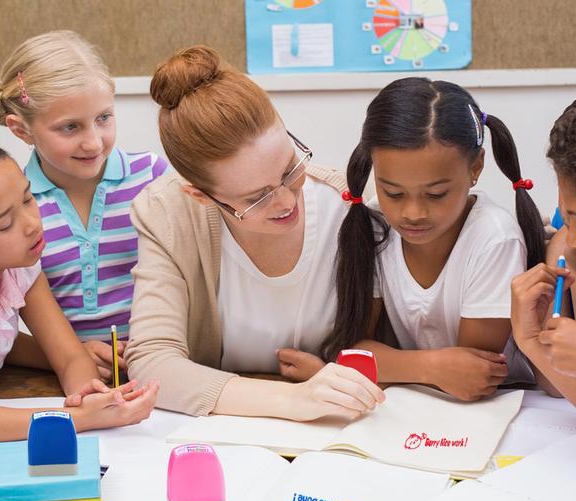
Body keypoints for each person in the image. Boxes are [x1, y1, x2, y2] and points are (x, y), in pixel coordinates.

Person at [125, 45, 383, 420]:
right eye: (256, 197)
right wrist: (291, 401)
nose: (285, 202)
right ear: (200, 196)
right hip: (231, 442)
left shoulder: (353, 202)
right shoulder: (168, 214)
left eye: (289, 169)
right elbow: (152, 362)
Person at [279, 77, 545, 401]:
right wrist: (429, 368)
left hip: (504, 404)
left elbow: (472, 378)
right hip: (418, 404)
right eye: (393, 192)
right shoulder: (375, 227)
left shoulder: (494, 239)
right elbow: (353, 349)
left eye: (435, 194)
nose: (413, 212)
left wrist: (378, 368)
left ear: (476, 167)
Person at [0, 30, 169, 381]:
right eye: (70, 127)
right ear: (21, 131)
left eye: (104, 118)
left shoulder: (153, 177)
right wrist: (74, 358)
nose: (93, 142)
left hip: (159, 364)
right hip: (61, 374)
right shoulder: (13, 212)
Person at [0, 136, 158, 443]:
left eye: (27, 199)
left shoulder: (21, 267)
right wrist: (77, 418)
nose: (32, 224)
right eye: (6, 223)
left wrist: (91, 394)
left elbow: (69, 356)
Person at [511, 96, 576, 406]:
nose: (575, 239)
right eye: (570, 218)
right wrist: (530, 340)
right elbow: (559, 387)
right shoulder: (567, 252)